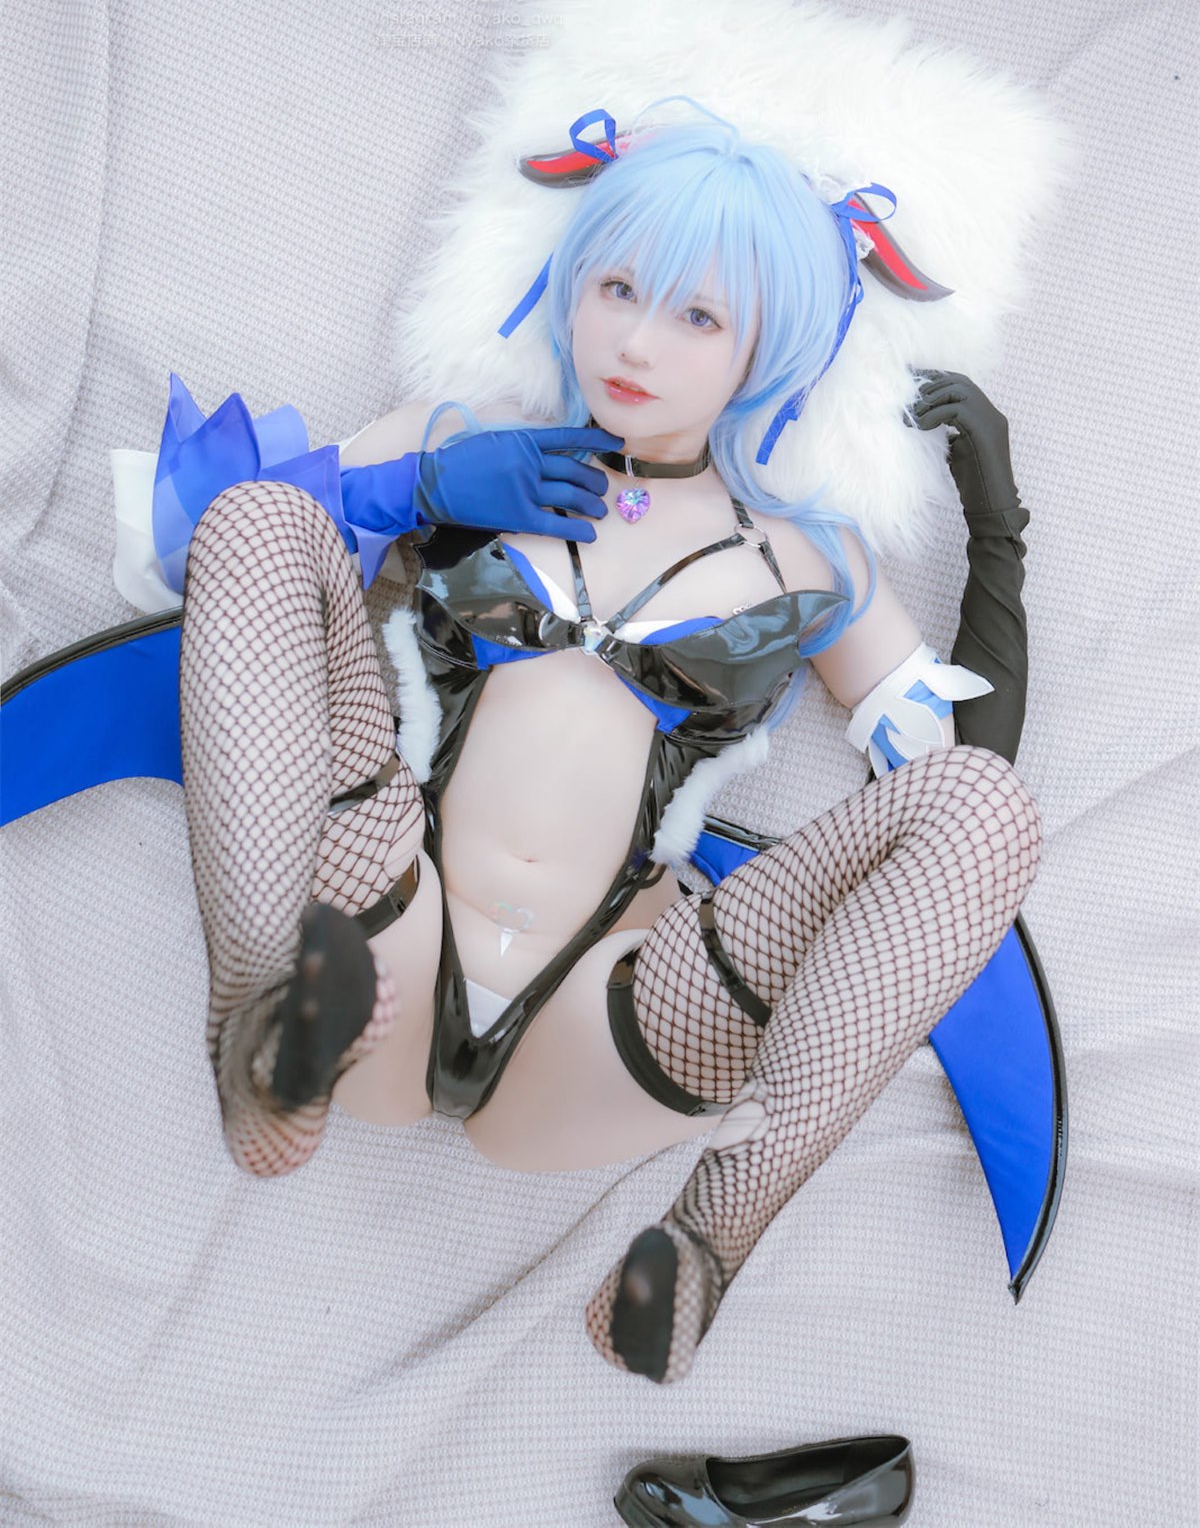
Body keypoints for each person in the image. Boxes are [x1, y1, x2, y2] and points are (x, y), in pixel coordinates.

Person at [174, 106, 1042, 1386]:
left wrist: (998, 534)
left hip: (613, 1020)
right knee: (262, 517)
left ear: (762, 347)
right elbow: (215, 547)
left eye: (697, 315)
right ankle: (257, 1050)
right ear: (572, 280)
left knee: (986, 812)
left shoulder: (811, 561)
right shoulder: (457, 433)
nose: (636, 342)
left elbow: (960, 787)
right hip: (381, 918)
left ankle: (707, 1239)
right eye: (618, 287)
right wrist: (420, 490)